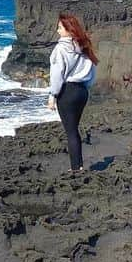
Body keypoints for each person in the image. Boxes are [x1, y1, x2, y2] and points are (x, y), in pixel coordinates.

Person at [47, 13, 98, 172]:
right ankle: (78, 166)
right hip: (82, 92)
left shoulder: (60, 49)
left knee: (71, 131)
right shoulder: (84, 46)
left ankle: (76, 168)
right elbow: (92, 71)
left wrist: (53, 95)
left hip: (67, 92)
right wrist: (86, 86)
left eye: (60, 27)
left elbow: (57, 75)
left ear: (69, 30)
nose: (57, 31)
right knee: (74, 129)